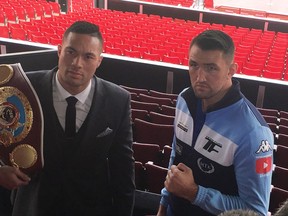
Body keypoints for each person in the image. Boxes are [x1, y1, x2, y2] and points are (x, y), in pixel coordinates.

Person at [4, 20, 135, 216]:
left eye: (88, 56)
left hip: (91, 209)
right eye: (71, 52)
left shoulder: (118, 100)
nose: (76, 63)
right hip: (32, 206)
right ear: (59, 50)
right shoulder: (23, 87)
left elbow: (123, 169)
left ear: (99, 60)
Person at [156, 30, 274, 216]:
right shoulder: (184, 99)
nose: (200, 77)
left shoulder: (253, 133)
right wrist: (164, 203)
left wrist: (195, 193)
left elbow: (256, 211)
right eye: (194, 65)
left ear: (231, 70)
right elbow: (176, 158)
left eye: (211, 68)